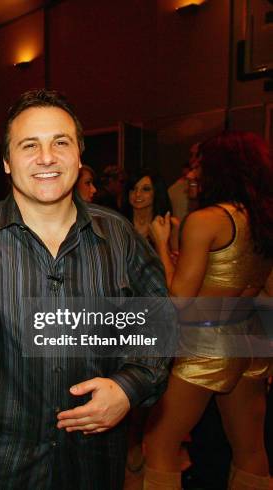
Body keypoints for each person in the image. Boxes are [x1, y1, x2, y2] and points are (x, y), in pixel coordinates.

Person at [0, 89, 171, 489]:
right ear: (6, 162)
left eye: (60, 142)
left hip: (94, 459)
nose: (46, 157)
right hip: (2, 462)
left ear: (78, 155)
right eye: (29, 145)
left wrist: (130, 387)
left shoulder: (119, 235)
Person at [145, 131, 273, 489]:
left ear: (221, 168)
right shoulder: (262, 219)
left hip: (207, 342)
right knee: (250, 448)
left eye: (197, 165)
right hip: (250, 341)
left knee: (160, 442)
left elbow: (179, 300)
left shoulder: (206, 221)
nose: (189, 174)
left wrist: (162, 245)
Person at [121, 169, 172, 241]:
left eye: (145, 189)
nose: (137, 194)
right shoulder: (118, 223)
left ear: (157, 192)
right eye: (133, 189)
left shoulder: (169, 225)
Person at [167, 142, 200, 222]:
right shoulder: (178, 186)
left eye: (197, 155)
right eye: (191, 155)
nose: (193, 160)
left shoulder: (215, 187)